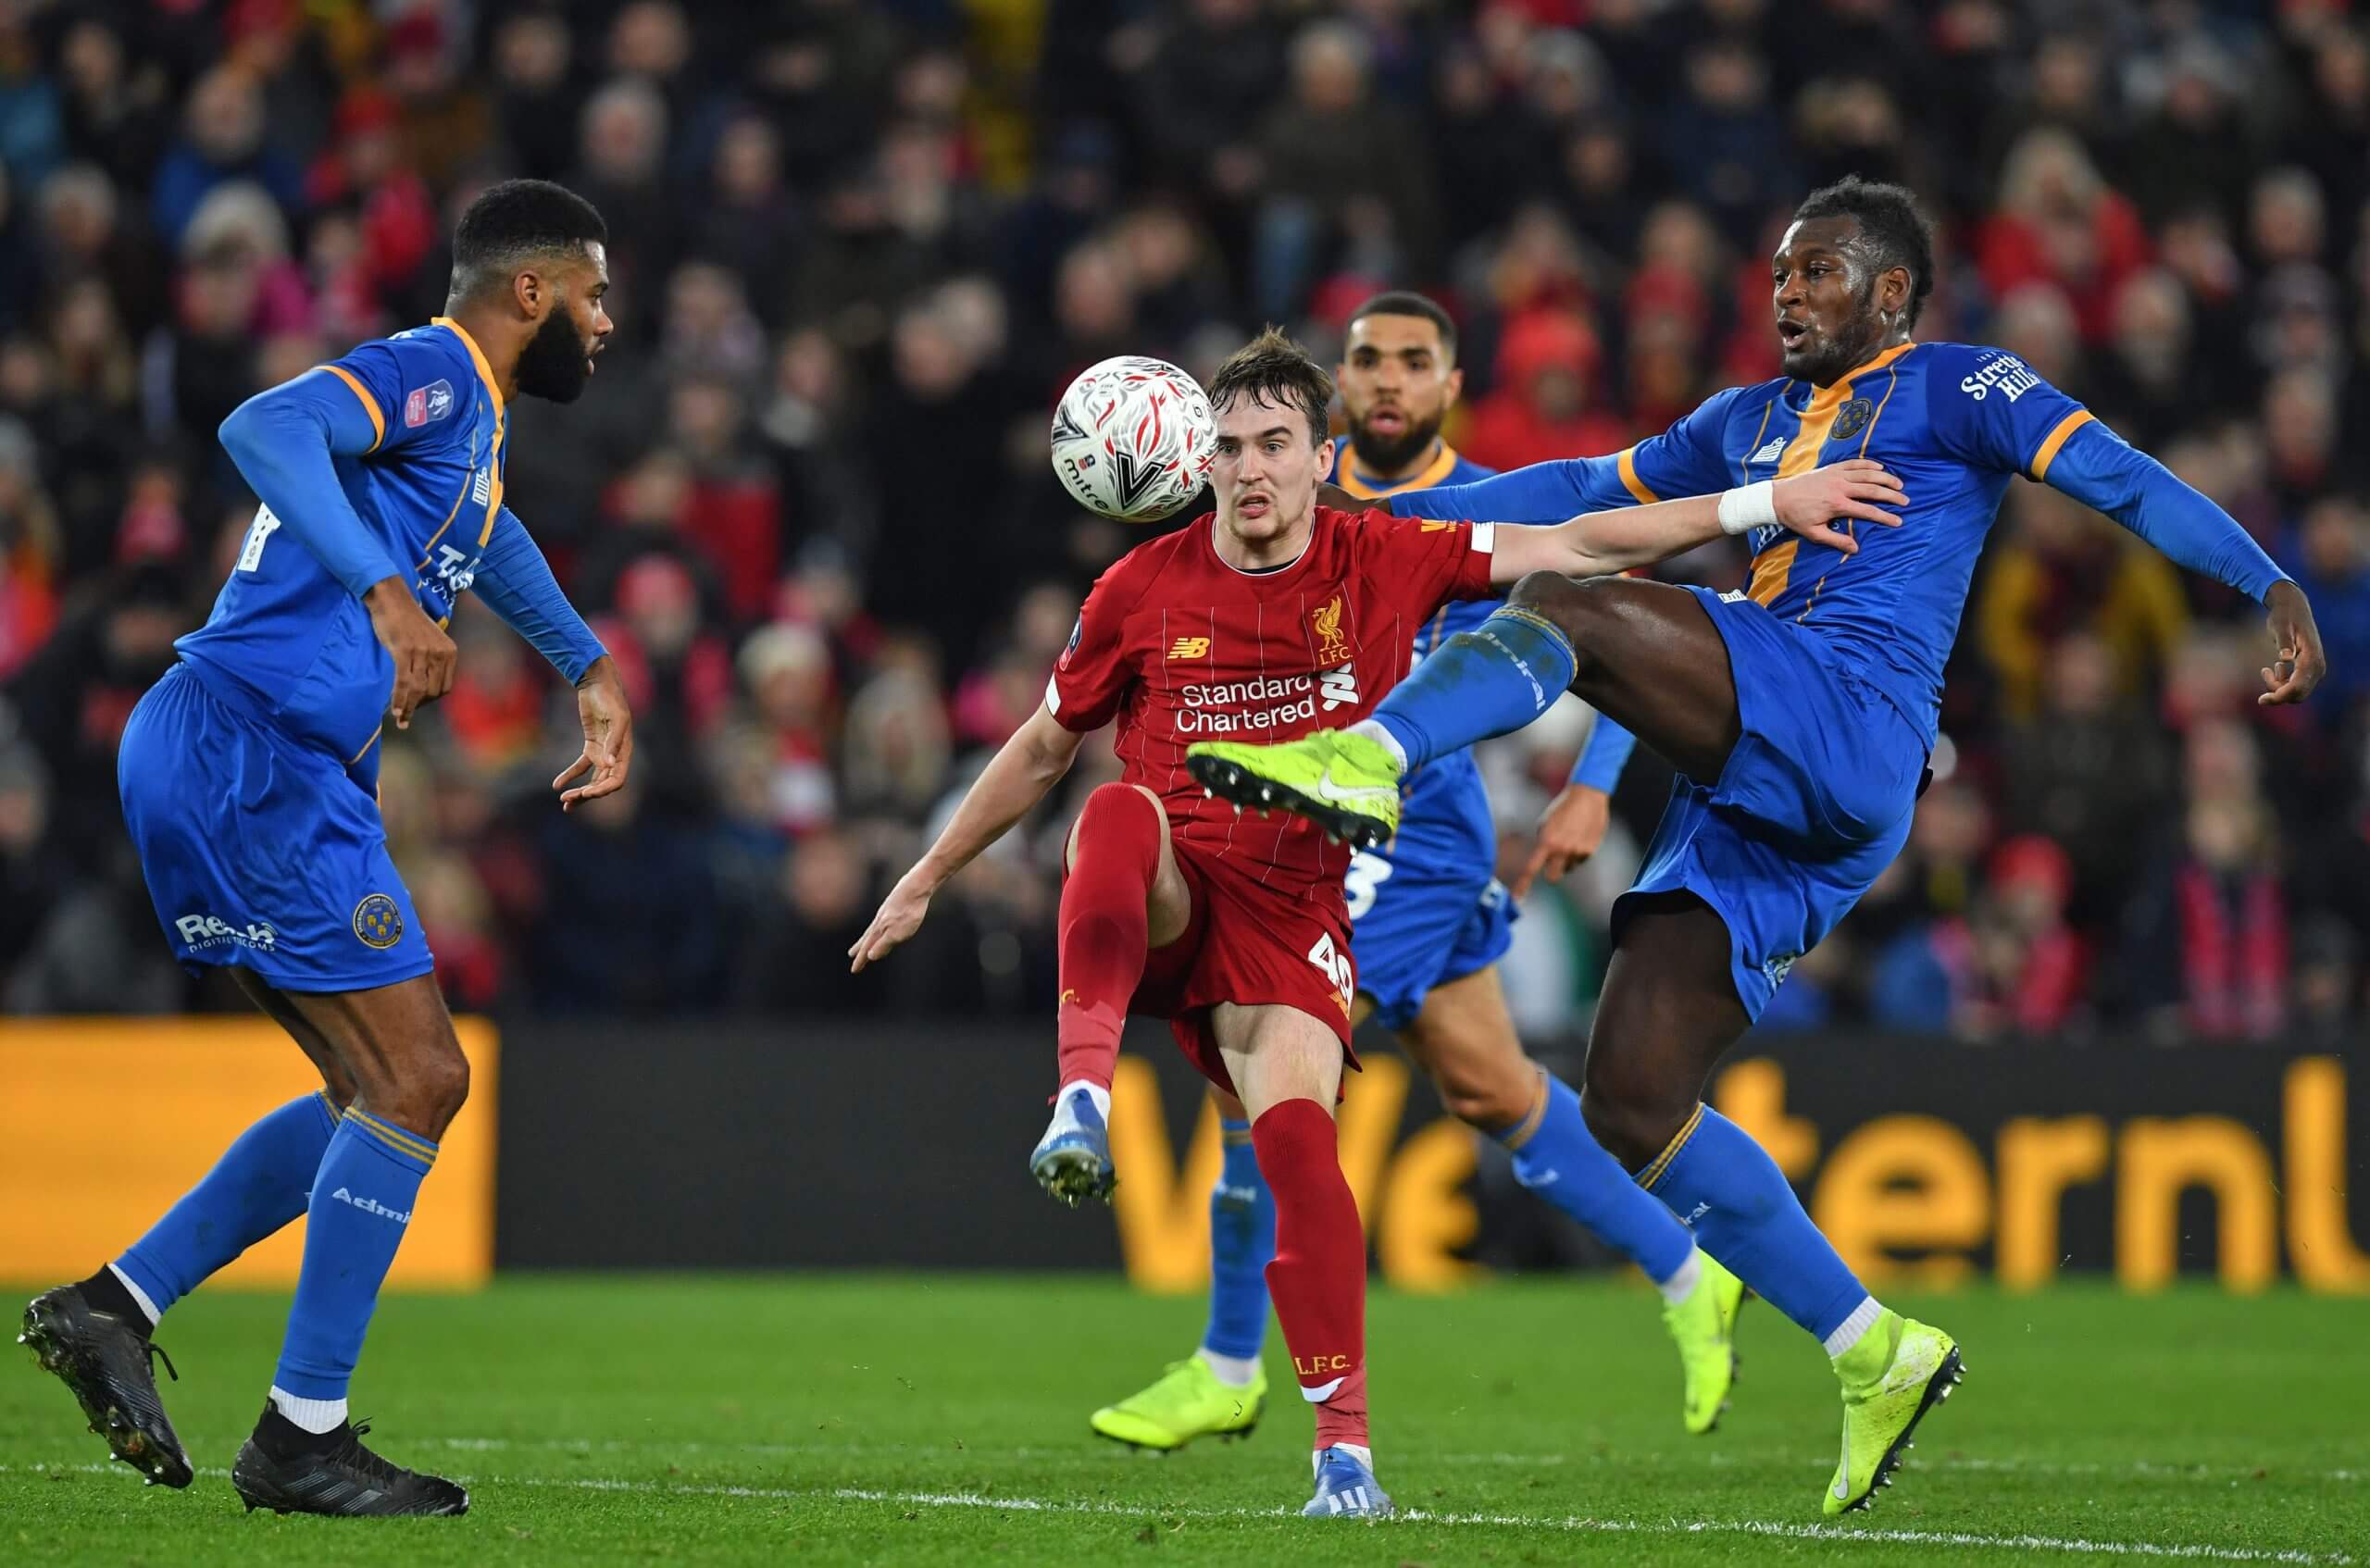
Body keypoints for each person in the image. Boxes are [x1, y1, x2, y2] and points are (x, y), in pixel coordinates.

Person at [1183, 177, 2327, 1517]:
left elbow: (2119, 479)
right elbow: (1573, 484)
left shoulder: (1963, 384)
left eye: (1819, 272)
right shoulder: (1745, 423)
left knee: (1577, 603)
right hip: (1764, 794)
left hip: (1845, 713)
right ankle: (1872, 1346)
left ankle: (1366, 756)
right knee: (1631, 1095)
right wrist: (1370, 525)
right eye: (1781, 275)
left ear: (1892, 293)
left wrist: (2269, 578)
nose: (1788, 294)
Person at [849, 325, 1901, 1518]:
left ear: (1316, 456)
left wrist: (1767, 497)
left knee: (1328, 1137)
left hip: (1302, 910)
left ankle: (1341, 1453)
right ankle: (1082, 1105)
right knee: (1117, 812)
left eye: (1274, 443)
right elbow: (1044, 746)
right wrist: (929, 870)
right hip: (1175, 893)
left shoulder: (1386, 554)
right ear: (1200, 460)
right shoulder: (1136, 588)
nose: (1249, 467)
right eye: (1229, 445)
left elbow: (1582, 543)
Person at [19, 180, 633, 1517]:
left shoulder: (469, 433)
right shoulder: (433, 366)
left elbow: (490, 536)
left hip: (246, 759)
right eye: (593, 293)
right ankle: (301, 1433)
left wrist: (583, 660)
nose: (606, 321)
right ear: (530, 292)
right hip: (255, 754)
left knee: (380, 1091)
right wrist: (387, 592)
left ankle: (112, 1303)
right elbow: (264, 421)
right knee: (419, 1077)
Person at [1087, 292, 1746, 1461]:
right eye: (1367, 360)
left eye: (1412, 362)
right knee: (1494, 1086)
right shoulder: (1290, 494)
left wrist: (1594, 778)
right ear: (1338, 387)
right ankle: (1683, 1262)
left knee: (1258, 1061)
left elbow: (1611, 622)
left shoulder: (1492, 499)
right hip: (1320, 825)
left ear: (1449, 384)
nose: (1387, 379)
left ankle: (1229, 1364)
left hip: (1404, 837)